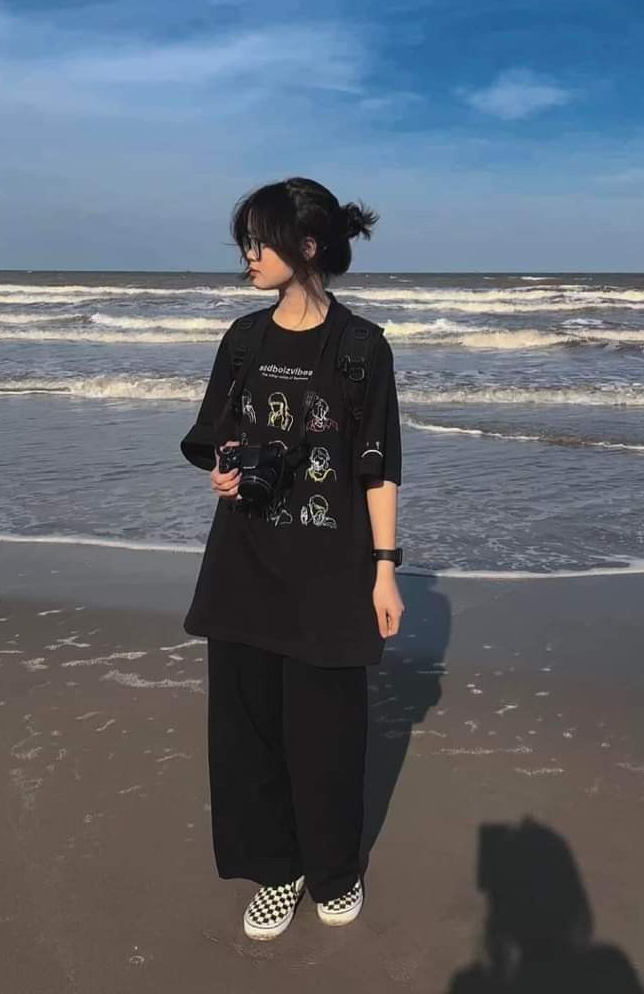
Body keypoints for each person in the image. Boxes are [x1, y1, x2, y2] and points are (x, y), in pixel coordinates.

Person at [180, 176, 404, 941]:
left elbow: (377, 465)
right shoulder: (242, 340)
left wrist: (384, 566)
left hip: (330, 571)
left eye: (261, 239)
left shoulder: (362, 349)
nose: (247, 255)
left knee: (328, 736)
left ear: (306, 246)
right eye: (244, 240)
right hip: (243, 565)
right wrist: (223, 470)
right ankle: (279, 871)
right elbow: (215, 436)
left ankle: (335, 870)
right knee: (247, 735)